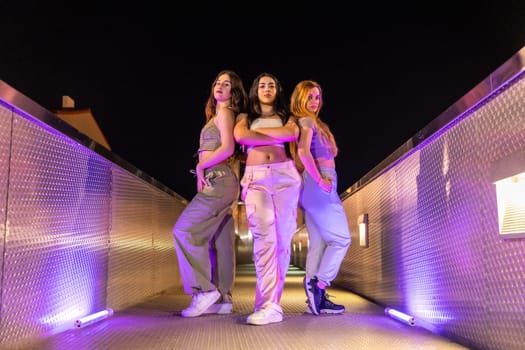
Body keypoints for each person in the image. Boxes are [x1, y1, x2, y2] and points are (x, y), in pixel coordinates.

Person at [173, 69, 247, 318]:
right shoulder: (222, 114)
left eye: (227, 84)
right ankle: (223, 297)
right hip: (224, 181)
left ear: (233, 92)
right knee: (220, 240)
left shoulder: (225, 112)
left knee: (184, 230)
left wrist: (201, 166)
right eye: (217, 82)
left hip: (219, 180)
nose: (220, 86)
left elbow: (227, 147)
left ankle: (203, 290)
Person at [234, 72, 301, 325]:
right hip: (256, 178)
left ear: (277, 89)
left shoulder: (288, 116)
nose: (266, 88)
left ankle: (273, 305)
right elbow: (241, 137)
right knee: (264, 240)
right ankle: (265, 304)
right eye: (262, 85)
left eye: (271, 84)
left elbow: (292, 135)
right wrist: (279, 134)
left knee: (283, 241)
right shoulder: (244, 117)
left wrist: (263, 136)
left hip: (285, 177)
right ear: (255, 90)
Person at [290, 80, 351, 315]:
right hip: (320, 181)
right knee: (342, 239)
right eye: (309, 97)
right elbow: (304, 151)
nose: (314, 101)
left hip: (314, 185)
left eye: (317, 97)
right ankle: (320, 284)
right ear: (300, 99)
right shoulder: (306, 121)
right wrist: (320, 179)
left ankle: (315, 300)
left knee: (319, 244)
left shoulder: (316, 123)